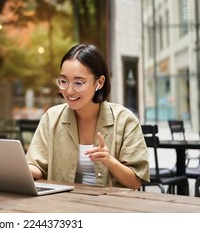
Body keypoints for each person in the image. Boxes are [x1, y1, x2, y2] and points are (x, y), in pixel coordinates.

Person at [26, 43, 149, 190]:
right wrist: (15, 168)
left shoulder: (125, 120)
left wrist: (109, 161)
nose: (69, 91)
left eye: (78, 83)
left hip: (110, 207)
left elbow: (135, 182)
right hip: (62, 205)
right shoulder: (51, 118)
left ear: (99, 82)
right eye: (63, 81)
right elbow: (38, 168)